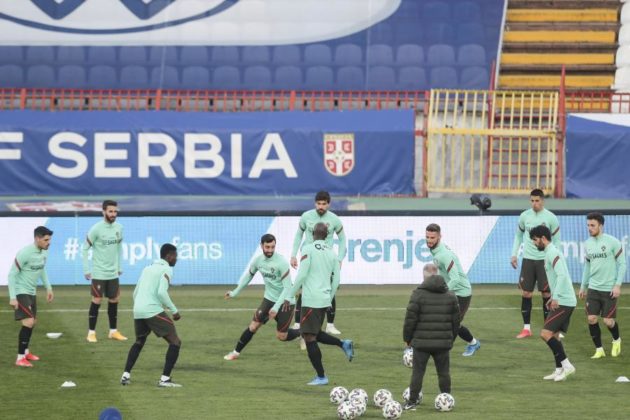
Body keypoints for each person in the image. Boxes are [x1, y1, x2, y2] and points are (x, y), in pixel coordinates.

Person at [278, 222, 353, 385]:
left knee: (309, 337)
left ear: (312, 234)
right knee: (313, 333)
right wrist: (329, 298)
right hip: (324, 299)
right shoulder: (332, 253)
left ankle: (321, 376)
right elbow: (337, 280)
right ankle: (342, 344)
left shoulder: (308, 249)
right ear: (327, 235)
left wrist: (289, 295)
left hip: (311, 300)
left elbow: (302, 274)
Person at [223, 234, 301, 360]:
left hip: (286, 301)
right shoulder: (258, 261)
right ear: (261, 246)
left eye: (272, 247)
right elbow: (249, 275)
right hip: (269, 299)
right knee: (253, 326)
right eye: (267, 247)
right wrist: (235, 292)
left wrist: (276, 308)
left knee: (281, 336)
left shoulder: (281, 262)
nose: (270, 250)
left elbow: (287, 288)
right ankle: (235, 352)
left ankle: (301, 333)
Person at [120, 243, 182, 387]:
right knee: (175, 342)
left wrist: (140, 307)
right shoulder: (166, 269)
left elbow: (135, 292)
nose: (176, 259)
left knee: (139, 342)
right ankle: (165, 379)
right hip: (151, 310)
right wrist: (174, 311)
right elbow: (161, 292)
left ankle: (125, 375)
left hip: (138, 310)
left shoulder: (147, 268)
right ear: (169, 256)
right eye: (175, 256)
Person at [402, 263, 460, 411]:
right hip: (443, 343)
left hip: (421, 343)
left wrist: (407, 339)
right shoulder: (451, 295)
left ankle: (412, 402)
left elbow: (410, 320)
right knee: (444, 373)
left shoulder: (417, 294)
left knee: (418, 372)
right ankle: (446, 399)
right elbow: (456, 322)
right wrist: (450, 340)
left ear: (424, 276)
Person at [291, 191, 346, 337]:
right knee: (303, 288)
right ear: (315, 203)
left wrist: (339, 258)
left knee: (329, 289)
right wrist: (293, 254)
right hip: (308, 257)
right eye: (318, 203)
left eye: (324, 204)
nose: (321, 206)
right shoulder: (306, 216)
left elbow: (342, 240)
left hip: (325, 259)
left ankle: (330, 325)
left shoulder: (334, 219)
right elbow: (298, 235)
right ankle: (297, 323)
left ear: (328, 204)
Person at [511, 189, 561, 338]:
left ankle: (549, 328)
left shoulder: (551, 218)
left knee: (546, 293)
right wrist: (514, 254)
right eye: (532, 200)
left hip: (544, 261)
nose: (534, 203)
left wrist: (554, 257)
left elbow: (557, 241)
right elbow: (518, 236)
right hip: (528, 259)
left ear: (542, 201)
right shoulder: (524, 216)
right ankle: (526, 328)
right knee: (526, 293)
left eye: (537, 200)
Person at [529, 225, 577, 381]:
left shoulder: (553, 252)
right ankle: (558, 369)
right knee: (555, 336)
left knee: (545, 334)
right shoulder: (549, 253)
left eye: (535, 240)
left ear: (543, 238)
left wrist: (555, 297)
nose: (535, 244)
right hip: (560, 298)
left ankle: (568, 366)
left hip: (564, 300)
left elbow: (562, 275)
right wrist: (552, 297)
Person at [426, 224, 481, 356]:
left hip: (462, 293)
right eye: (427, 237)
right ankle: (473, 343)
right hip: (451, 291)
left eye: (432, 237)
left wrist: (442, 291)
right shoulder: (434, 250)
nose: (429, 240)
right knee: (450, 322)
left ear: (439, 236)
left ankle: (442, 352)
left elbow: (455, 279)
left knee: (451, 324)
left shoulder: (444, 255)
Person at [579, 212, 625, 359]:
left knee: (608, 321)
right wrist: (583, 286)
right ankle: (599, 350)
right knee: (591, 319)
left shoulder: (613, 242)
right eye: (588, 225)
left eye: (592, 225)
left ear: (601, 226)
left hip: (609, 289)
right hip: (593, 288)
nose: (589, 228)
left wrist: (617, 285)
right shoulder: (587, 244)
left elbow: (622, 264)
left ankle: (616, 340)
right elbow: (587, 266)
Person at [8, 226, 54, 367]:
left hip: (31, 292)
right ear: (37, 238)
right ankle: (20, 358)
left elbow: (42, 270)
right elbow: (12, 274)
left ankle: (26, 352)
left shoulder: (44, 252)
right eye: (46, 240)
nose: (48, 242)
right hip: (21, 291)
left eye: (50, 240)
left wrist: (48, 288)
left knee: (32, 322)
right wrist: (12, 297)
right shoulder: (25, 253)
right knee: (28, 322)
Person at [82, 199, 126, 343]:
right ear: (103, 212)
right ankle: (91, 333)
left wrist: (119, 266)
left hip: (113, 273)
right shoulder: (96, 229)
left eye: (115, 211)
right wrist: (86, 269)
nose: (113, 214)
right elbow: (84, 248)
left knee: (114, 299)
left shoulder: (119, 228)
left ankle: (113, 331)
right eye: (110, 211)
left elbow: (119, 248)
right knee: (97, 300)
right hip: (99, 272)